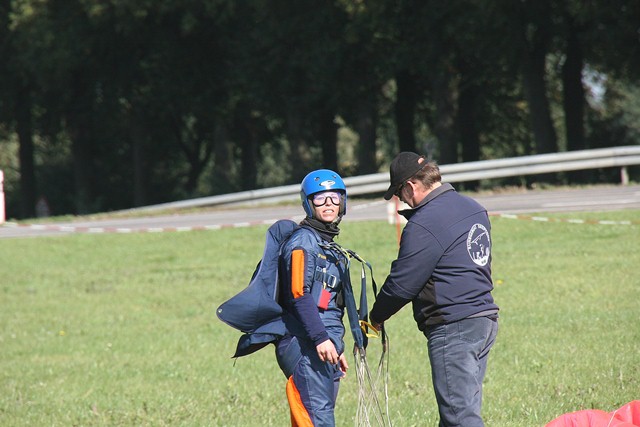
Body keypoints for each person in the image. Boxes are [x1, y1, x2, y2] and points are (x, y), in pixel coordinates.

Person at [369, 152, 499, 427]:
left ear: (410, 186)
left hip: (454, 326)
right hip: (483, 320)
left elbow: (402, 285)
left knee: (459, 418)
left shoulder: (426, 222)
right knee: (456, 413)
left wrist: (376, 317)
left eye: (399, 193)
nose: (402, 200)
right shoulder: (473, 207)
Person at [276, 169, 351, 427]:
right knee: (318, 420)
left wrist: (335, 345)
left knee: (318, 417)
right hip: (305, 345)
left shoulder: (325, 243)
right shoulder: (302, 243)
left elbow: (327, 301)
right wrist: (321, 338)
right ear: (309, 203)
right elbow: (299, 294)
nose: (328, 203)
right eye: (320, 198)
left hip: (323, 346)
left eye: (334, 197)